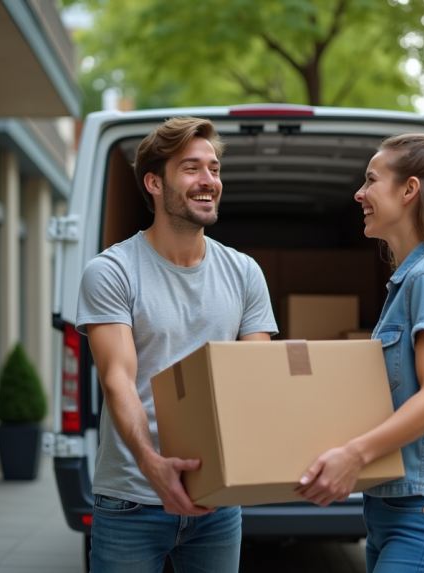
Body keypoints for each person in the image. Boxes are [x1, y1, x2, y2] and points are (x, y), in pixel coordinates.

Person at [296, 134, 424, 573]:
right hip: (396, 512)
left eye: (371, 180)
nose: (360, 194)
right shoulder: (412, 281)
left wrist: (353, 455)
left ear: (409, 189)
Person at [76, 117, 277, 573]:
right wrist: (151, 464)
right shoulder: (112, 271)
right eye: (191, 168)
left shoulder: (244, 272)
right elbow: (118, 378)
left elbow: (257, 379)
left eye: (214, 168)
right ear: (154, 183)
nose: (209, 180)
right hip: (132, 499)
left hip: (217, 502)